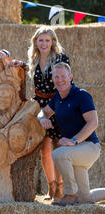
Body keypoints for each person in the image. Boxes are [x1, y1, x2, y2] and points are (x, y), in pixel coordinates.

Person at [11, 26, 70, 201]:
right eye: (41, 40)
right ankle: (50, 186)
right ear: (35, 42)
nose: (44, 43)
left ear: (52, 42)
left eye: (47, 40)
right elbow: (26, 68)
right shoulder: (34, 59)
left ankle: (60, 188)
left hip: (57, 104)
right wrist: (17, 64)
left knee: (58, 148)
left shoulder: (61, 58)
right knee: (44, 150)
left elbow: (65, 81)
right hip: (40, 107)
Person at [37, 63, 103, 206]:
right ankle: (78, 196)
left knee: (58, 154)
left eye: (63, 76)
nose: (59, 80)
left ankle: (70, 194)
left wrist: (74, 140)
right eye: (56, 77)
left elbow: (93, 123)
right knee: (86, 199)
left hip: (89, 147)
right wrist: (43, 118)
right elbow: (43, 111)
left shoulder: (82, 95)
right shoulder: (57, 98)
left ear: (70, 77)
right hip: (75, 150)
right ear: (52, 79)